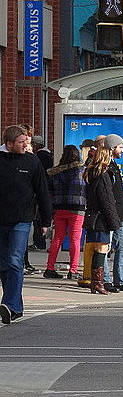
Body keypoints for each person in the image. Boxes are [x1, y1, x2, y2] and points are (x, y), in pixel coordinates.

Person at [0, 126, 52, 324]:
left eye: (27, 141)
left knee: (14, 260)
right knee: (3, 263)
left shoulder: (32, 161)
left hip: (22, 220)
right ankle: (14, 307)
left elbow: (42, 191)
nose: (26, 145)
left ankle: (10, 304)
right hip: (1, 219)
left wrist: (46, 220)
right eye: (21, 142)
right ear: (9, 143)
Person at [43, 146, 87, 280]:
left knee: (57, 239)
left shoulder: (55, 173)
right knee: (75, 240)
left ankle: (49, 268)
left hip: (59, 209)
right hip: (77, 209)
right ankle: (73, 270)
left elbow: (50, 193)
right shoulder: (82, 171)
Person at [82, 147, 120, 295]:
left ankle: (95, 282)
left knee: (96, 249)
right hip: (101, 219)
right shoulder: (103, 176)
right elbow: (107, 201)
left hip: (92, 216)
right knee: (102, 249)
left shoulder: (90, 173)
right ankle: (98, 283)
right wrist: (114, 222)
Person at [102, 134, 123, 292]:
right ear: (112, 148)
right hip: (110, 214)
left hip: (120, 214)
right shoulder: (106, 168)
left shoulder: (114, 166)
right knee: (106, 247)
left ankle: (120, 280)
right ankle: (105, 280)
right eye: (120, 147)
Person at [77, 135, 107, 289]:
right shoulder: (99, 171)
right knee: (99, 246)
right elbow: (104, 197)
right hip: (95, 213)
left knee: (92, 245)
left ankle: (93, 278)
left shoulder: (89, 168)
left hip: (89, 211)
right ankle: (96, 280)